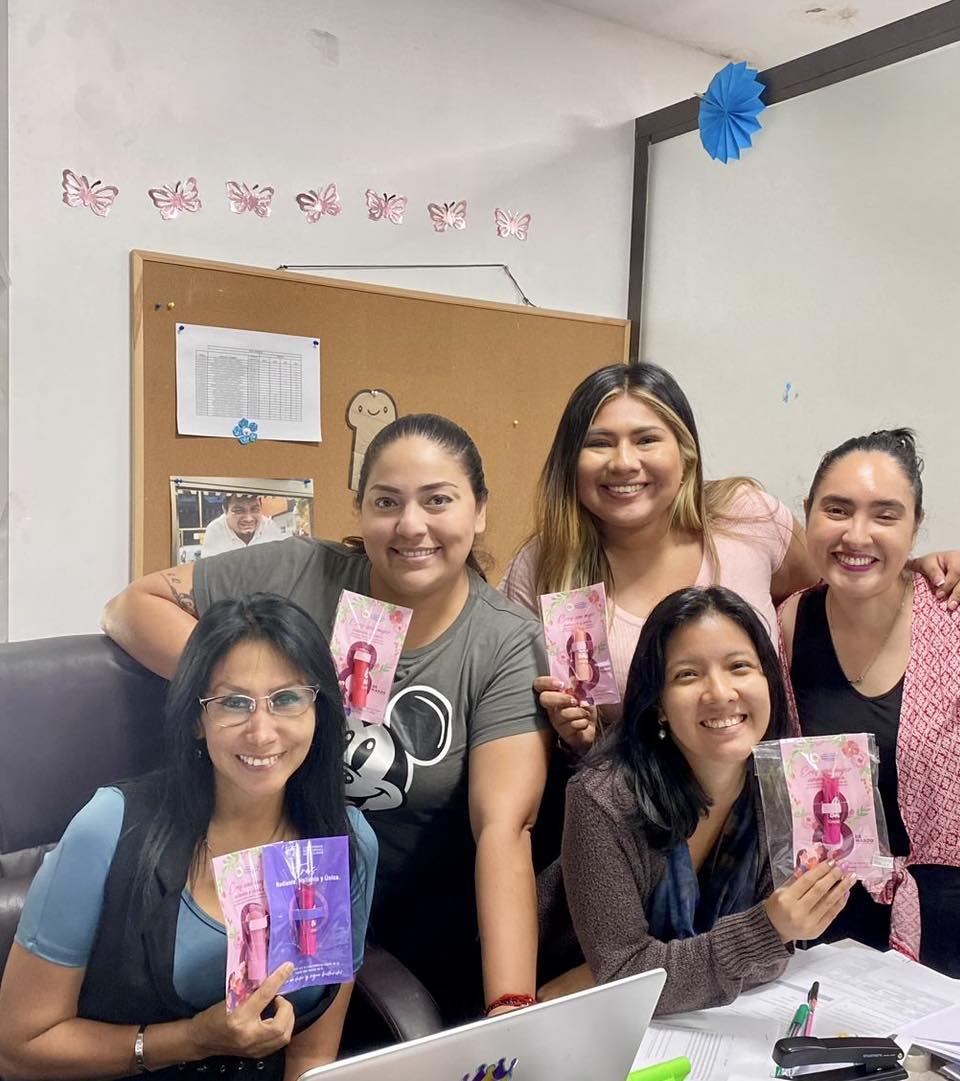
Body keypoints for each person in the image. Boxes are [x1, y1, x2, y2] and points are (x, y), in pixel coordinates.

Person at [103, 414, 550, 1022]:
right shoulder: (301, 572)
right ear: (361, 510)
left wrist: (513, 1009)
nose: (411, 525)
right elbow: (132, 608)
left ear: (480, 510)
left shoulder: (504, 642)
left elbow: (505, 831)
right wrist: (266, 698)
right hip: (247, 890)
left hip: (402, 928)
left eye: (438, 500)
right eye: (386, 502)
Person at [501, 362, 960, 752]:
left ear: (685, 452)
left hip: (764, 808)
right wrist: (576, 740)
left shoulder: (745, 517)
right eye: (598, 443)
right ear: (570, 461)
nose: (624, 463)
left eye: (647, 439)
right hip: (638, 818)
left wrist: (916, 568)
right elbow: (525, 727)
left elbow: (838, 577)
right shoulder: (546, 567)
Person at [0, 594, 378, 1081]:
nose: (262, 733)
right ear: (198, 720)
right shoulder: (108, 827)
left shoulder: (347, 845)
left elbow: (311, 1056)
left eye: (286, 699)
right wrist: (192, 1040)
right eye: (233, 703)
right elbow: (17, 1048)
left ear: (318, 711)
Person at [779, 428, 960, 1004]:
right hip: (852, 918)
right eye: (836, 510)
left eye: (885, 515)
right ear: (809, 516)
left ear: (915, 528)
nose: (856, 534)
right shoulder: (791, 623)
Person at [540, 586, 855, 1014]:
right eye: (688, 674)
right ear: (659, 706)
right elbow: (625, 980)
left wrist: (654, 969)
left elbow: (777, 957)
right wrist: (764, 928)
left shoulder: (787, 788)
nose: (720, 692)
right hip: (568, 1018)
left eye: (739, 666)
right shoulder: (603, 798)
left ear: (769, 680)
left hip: (691, 1020)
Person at [201, 493, 287, 556]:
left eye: (254, 510)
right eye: (239, 511)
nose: (249, 519)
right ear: (225, 510)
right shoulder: (215, 530)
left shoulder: (270, 527)